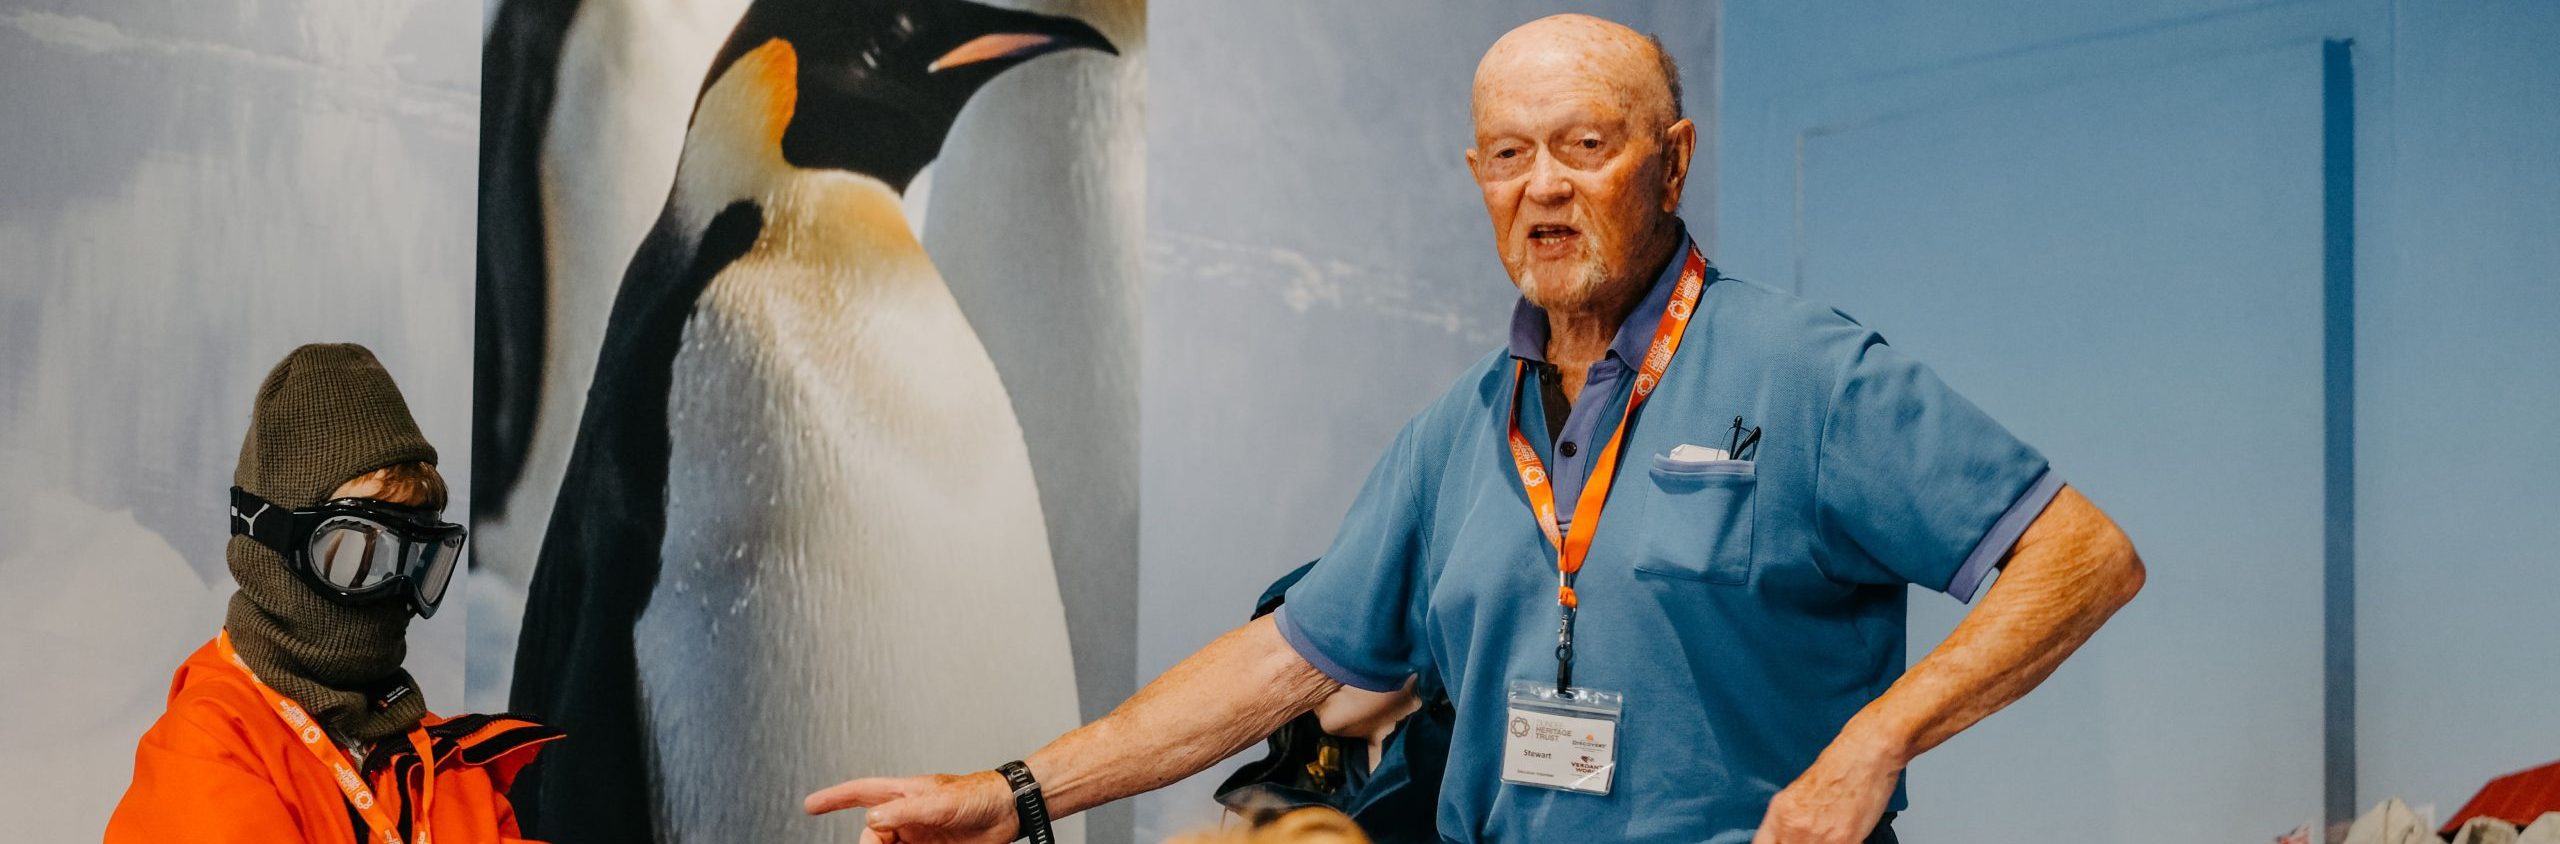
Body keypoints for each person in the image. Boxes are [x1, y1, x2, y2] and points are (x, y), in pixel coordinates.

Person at [806, 13, 2145, 844]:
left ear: (1672, 161)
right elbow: (1283, 662)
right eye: (1510, 156)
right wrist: (1017, 793)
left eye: (1586, 146)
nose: (1544, 189)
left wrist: (1875, 743)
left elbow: (2082, 554)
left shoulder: (1805, 373)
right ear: (1477, 180)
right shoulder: (1457, 435)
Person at [106, 343, 561, 844]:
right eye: (353, 554)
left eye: (416, 558)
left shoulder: (453, 771)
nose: (391, 589)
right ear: (275, 546)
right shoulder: (208, 747)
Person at [1214, 562, 1448, 844]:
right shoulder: (1282, 804)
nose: (1308, 672)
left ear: (1410, 633)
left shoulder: (1473, 786)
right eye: (1297, 656)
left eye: (1330, 645)